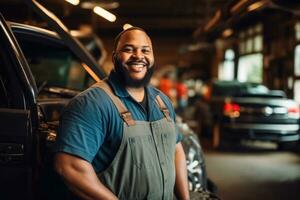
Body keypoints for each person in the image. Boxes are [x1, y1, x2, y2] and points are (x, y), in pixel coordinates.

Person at [53, 27, 190, 200]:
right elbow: (70, 167)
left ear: (153, 57)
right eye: (128, 49)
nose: (138, 56)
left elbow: (176, 150)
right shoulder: (92, 103)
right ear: (115, 57)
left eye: (145, 50)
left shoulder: (162, 101)